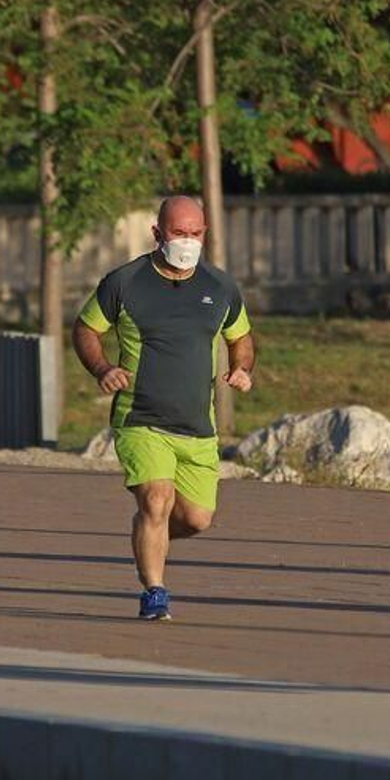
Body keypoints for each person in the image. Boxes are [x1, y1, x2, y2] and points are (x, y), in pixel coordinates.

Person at [72, 195, 255, 622]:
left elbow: (240, 337)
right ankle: (155, 592)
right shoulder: (126, 282)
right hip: (141, 419)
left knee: (196, 519)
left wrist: (243, 368)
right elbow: (85, 328)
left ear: (205, 233)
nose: (187, 242)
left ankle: (148, 535)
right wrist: (101, 367)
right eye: (178, 233)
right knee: (156, 500)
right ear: (158, 233)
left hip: (197, 426)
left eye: (195, 234)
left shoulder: (220, 286)